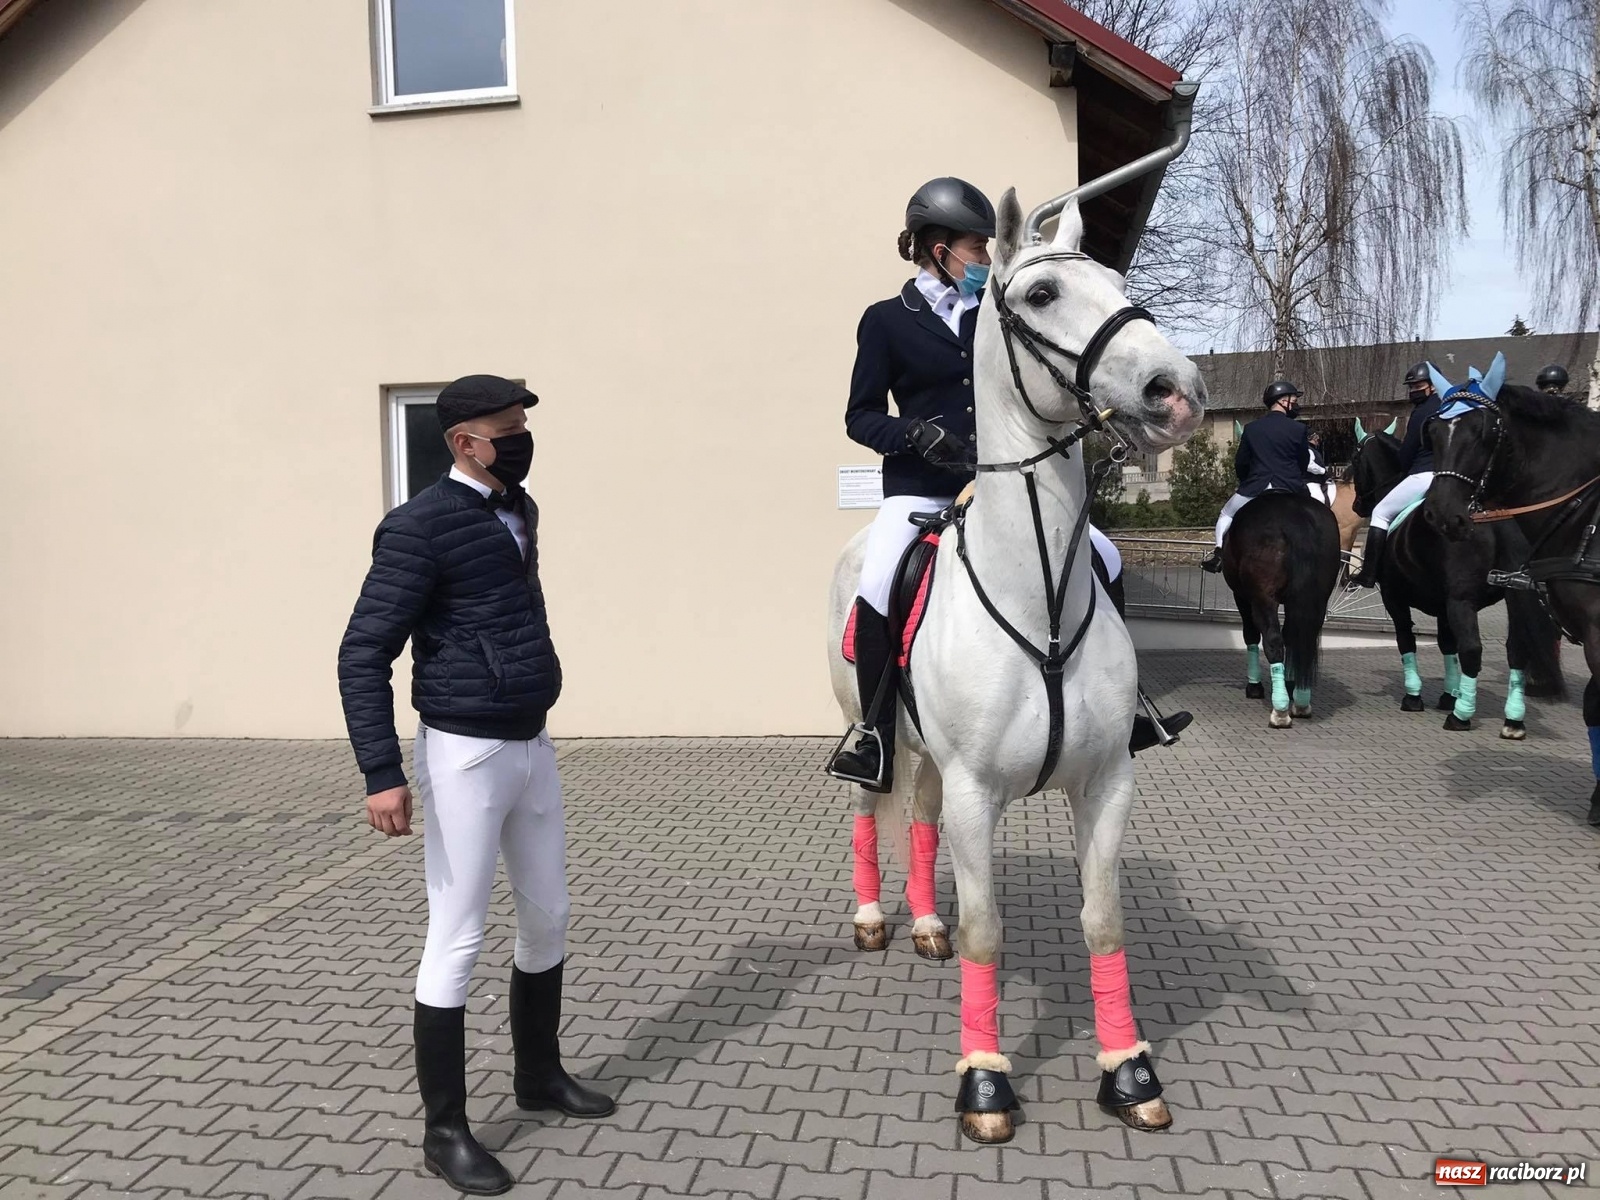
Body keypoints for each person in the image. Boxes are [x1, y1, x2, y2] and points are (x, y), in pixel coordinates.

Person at [338, 374, 613, 1197]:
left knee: (551, 911)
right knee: (457, 934)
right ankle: (446, 1131)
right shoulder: (416, 529)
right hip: (462, 751)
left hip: (530, 741)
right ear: (465, 441)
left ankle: (540, 1076)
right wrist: (382, 773)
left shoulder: (519, 510)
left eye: (523, 425)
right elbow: (361, 655)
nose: (522, 440)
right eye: (508, 429)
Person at [826, 177, 994, 792]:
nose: (985, 262)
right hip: (920, 491)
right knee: (876, 584)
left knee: (1098, 554)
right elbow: (860, 415)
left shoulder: (995, 315)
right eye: (978, 249)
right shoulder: (886, 321)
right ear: (938, 248)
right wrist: (913, 433)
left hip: (996, 488)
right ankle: (873, 734)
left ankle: (1127, 705)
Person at [1199, 380, 1319, 573]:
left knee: (1226, 514)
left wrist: (1247, 480)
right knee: (1315, 517)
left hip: (1256, 486)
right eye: (1294, 400)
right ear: (1282, 401)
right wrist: (1294, 478)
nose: (1295, 403)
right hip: (1290, 486)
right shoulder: (1298, 429)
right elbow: (1303, 462)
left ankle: (1219, 555)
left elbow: (1241, 463)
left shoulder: (1251, 429)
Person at [1350, 361, 1441, 588]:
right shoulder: (1449, 407)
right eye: (1411, 387)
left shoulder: (1421, 412)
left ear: (1433, 385)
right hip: (1450, 475)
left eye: (1418, 385)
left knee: (1380, 513)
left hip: (1423, 474)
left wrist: (1403, 465)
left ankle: (1369, 573)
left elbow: (1407, 452)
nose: (1413, 391)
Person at [1305, 430, 1333, 505]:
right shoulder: (1308, 450)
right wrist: (1323, 471)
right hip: (1310, 482)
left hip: (1317, 481)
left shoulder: (1313, 450)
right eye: (1317, 437)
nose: (1318, 439)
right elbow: (1309, 465)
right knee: (1319, 500)